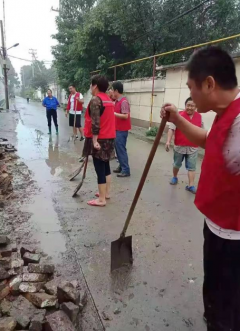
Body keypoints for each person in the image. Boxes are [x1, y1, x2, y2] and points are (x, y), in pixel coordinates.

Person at [161, 46, 240, 331]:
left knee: (229, 309)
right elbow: (209, 141)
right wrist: (177, 119)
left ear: (209, 84)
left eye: (191, 88)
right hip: (216, 227)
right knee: (215, 295)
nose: (190, 96)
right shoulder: (225, 113)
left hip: (234, 240)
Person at [82, 75, 116, 207]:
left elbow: (95, 122)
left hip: (100, 139)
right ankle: (106, 193)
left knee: (99, 168)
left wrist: (94, 141)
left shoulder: (96, 100)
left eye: (91, 85)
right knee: (106, 165)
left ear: (95, 85)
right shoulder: (108, 99)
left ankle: (101, 199)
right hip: (109, 137)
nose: (90, 87)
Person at [165, 97, 203, 194]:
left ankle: (191, 185)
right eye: (188, 105)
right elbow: (171, 129)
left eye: (192, 106)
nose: (190, 108)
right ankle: (175, 177)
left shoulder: (199, 117)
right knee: (177, 164)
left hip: (193, 147)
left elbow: (202, 131)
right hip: (180, 146)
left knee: (192, 167)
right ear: (185, 106)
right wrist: (168, 141)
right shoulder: (178, 116)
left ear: (196, 107)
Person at [112, 81, 131, 177]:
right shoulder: (117, 101)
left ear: (116, 90)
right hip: (117, 129)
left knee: (121, 149)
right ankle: (121, 166)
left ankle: (126, 170)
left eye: (112, 90)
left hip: (122, 130)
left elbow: (125, 116)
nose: (111, 92)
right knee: (118, 149)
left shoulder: (123, 102)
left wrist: (113, 113)